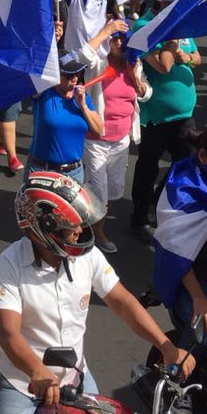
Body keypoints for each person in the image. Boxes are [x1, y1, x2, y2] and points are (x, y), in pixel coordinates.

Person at [0, 172, 193, 414]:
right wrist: (38, 372)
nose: (80, 231)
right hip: (20, 384)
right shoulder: (10, 263)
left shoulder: (86, 256)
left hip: (74, 378)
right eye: (71, 227)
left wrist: (166, 346)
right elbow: (8, 334)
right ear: (45, 228)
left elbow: (122, 302)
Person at [150, 126, 207, 343]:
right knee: (203, 336)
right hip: (194, 280)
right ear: (202, 156)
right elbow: (175, 253)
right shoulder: (181, 193)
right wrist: (199, 298)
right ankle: (176, 373)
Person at [130, 0, 201, 241]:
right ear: (163, 5)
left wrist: (186, 56)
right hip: (157, 116)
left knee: (186, 164)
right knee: (148, 166)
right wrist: (173, 40)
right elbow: (163, 66)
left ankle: (159, 202)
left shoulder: (180, 24)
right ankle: (139, 218)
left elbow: (196, 58)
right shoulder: (143, 28)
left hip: (184, 115)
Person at [82, 23, 149, 252]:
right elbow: (82, 55)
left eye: (122, 38)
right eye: (114, 38)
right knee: (99, 191)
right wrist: (103, 31)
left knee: (110, 190)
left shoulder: (134, 64)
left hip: (121, 141)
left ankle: (90, 226)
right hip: (96, 139)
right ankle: (96, 233)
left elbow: (147, 94)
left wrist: (135, 79)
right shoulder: (98, 63)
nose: (118, 43)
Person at [27, 52, 105, 184]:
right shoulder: (43, 93)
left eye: (77, 73)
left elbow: (99, 132)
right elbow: (33, 68)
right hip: (42, 170)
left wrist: (83, 106)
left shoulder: (83, 97)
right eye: (69, 75)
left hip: (74, 173)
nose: (74, 78)